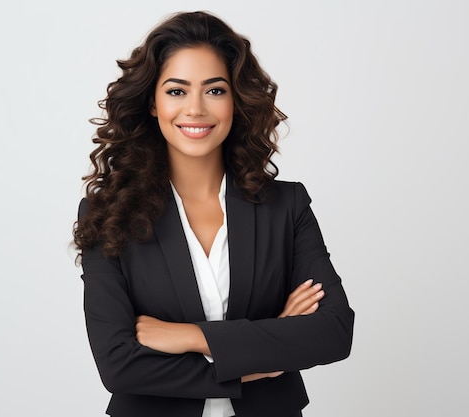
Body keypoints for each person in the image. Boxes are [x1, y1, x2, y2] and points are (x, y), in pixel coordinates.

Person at [73, 10, 354, 417]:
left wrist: (191, 337)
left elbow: (333, 332)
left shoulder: (286, 207)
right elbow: (119, 365)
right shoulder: (107, 213)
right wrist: (261, 358)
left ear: (236, 101)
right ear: (152, 103)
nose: (196, 109)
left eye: (215, 90)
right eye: (176, 91)